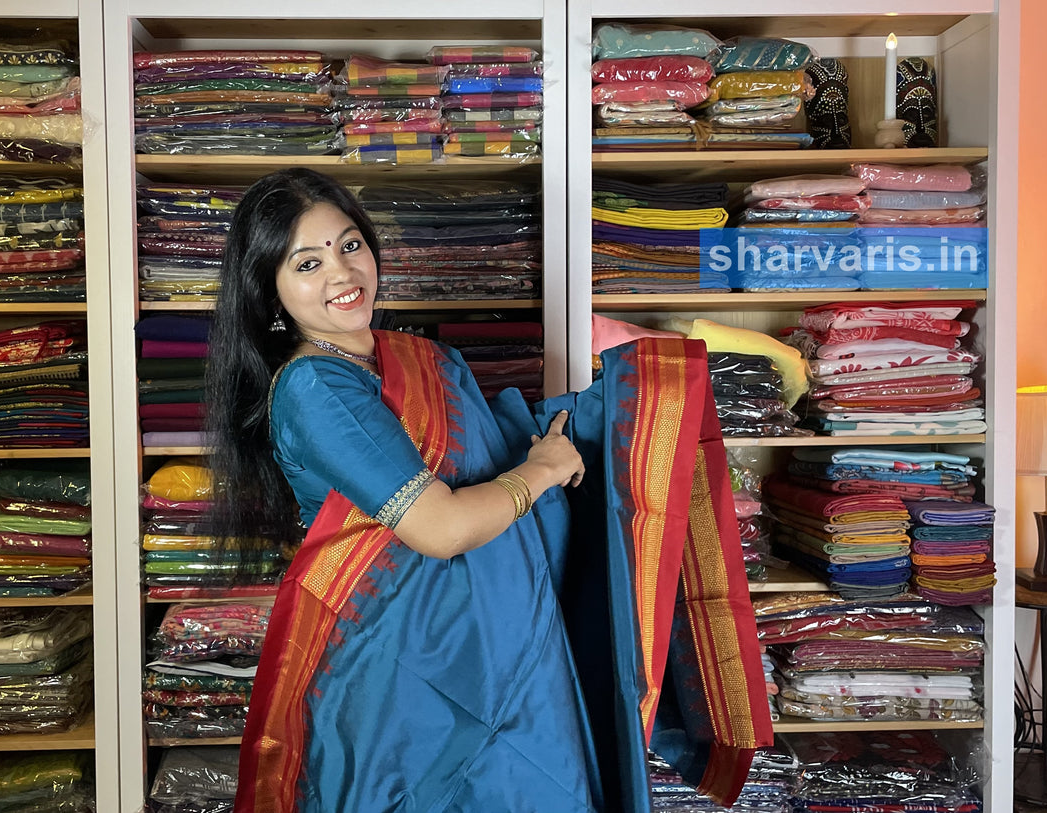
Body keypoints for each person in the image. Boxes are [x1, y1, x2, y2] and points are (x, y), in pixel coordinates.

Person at [205, 168, 770, 813]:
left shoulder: (420, 360)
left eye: (349, 245)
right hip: (405, 679)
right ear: (270, 292)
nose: (341, 273)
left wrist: (610, 416)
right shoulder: (314, 389)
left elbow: (490, 458)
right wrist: (545, 471)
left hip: (504, 648)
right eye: (307, 262)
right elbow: (440, 528)